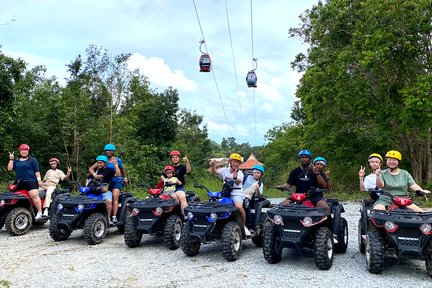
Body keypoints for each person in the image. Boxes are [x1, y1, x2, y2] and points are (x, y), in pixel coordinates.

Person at [210, 153, 251, 236]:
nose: (235, 164)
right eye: (234, 161)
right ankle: (215, 226)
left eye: (237, 162)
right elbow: (215, 173)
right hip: (225, 193)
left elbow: (238, 181)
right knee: (215, 206)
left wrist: (235, 177)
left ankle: (244, 226)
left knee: (239, 207)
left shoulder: (240, 173)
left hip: (236, 193)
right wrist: (212, 166)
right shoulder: (224, 170)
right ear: (230, 161)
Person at [89, 144, 127, 224]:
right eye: (106, 150)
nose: (108, 152)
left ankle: (114, 217)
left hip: (116, 180)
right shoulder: (103, 160)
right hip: (106, 181)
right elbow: (91, 169)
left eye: (110, 150)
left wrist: (125, 178)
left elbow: (122, 170)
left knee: (115, 197)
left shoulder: (117, 160)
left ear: (113, 151)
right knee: (104, 196)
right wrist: (95, 175)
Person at [7, 144, 44, 220]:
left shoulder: (32, 160)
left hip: (31, 181)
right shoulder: (16, 161)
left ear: (28, 151)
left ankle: (40, 212)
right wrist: (11, 159)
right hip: (19, 182)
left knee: (34, 195)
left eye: (25, 150)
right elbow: (10, 169)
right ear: (20, 151)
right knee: (10, 196)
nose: (24, 151)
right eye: (22, 150)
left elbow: (37, 171)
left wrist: (39, 181)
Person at [160, 150, 191, 216]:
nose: (175, 158)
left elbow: (188, 171)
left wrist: (187, 162)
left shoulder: (182, 167)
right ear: (171, 159)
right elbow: (162, 175)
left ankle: (185, 215)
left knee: (182, 197)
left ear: (179, 158)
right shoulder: (168, 167)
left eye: (176, 157)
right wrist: (165, 180)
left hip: (178, 188)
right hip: (167, 188)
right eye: (173, 157)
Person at [243, 164, 264, 232]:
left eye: (258, 173)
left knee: (246, 206)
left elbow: (257, 195)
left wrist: (257, 189)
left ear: (261, 174)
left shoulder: (260, 184)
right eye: (255, 172)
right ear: (253, 172)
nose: (256, 174)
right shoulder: (246, 177)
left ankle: (248, 226)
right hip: (239, 194)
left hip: (248, 197)